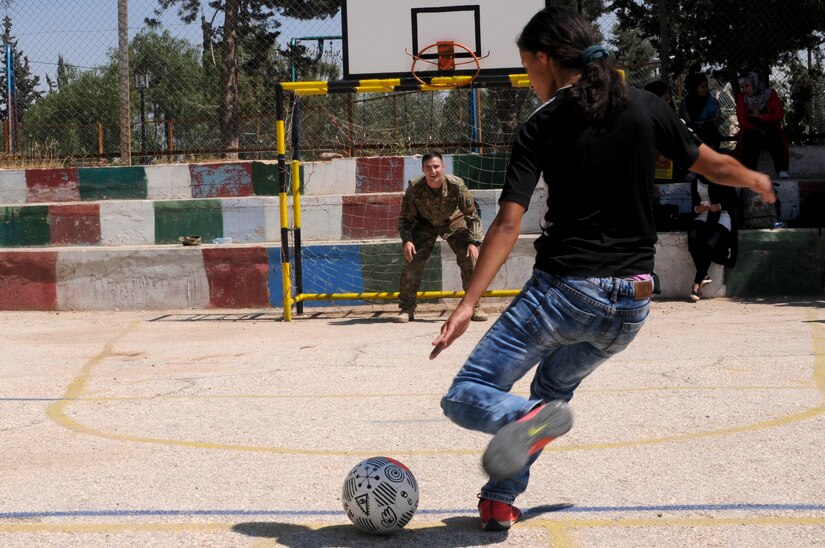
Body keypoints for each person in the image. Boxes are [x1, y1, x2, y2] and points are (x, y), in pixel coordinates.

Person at [429, 6, 775, 532]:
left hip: (566, 293)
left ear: (545, 59)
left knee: (465, 394)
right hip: (632, 306)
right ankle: (501, 498)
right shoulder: (645, 107)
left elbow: (505, 224)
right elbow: (711, 163)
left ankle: (524, 421)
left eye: (528, 68)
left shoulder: (542, 125)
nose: (528, 81)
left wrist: (468, 302)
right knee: (550, 396)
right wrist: (754, 179)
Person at [395, 152, 487, 323]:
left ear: (443, 167)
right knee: (412, 262)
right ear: (423, 169)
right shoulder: (415, 189)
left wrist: (474, 242)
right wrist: (407, 240)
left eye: (436, 166)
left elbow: (472, 215)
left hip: (453, 222)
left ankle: (474, 306)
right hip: (424, 225)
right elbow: (405, 219)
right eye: (428, 167)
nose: (433, 171)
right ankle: (406, 309)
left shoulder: (456, 185)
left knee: (470, 259)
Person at [688, 178, 738, 301]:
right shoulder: (695, 182)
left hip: (722, 215)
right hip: (704, 215)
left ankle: (696, 285)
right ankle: (703, 275)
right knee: (693, 237)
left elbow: (734, 201)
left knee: (710, 243)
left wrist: (719, 206)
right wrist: (698, 209)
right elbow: (694, 205)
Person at [735, 71, 790, 179]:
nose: (744, 89)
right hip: (752, 129)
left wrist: (761, 117)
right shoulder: (743, 97)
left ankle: (781, 170)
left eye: (747, 86)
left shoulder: (770, 94)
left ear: (756, 83)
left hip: (769, 128)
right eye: (742, 87)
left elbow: (779, 115)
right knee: (751, 138)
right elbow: (742, 121)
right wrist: (757, 129)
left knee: (774, 135)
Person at [679, 71, 723, 151]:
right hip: (693, 135)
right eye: (702, 87)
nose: (706, 89)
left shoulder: (712, 102)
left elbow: (717, 120)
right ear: (694, 88)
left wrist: (704, 124)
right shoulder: (686, 103)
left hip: (710, 134)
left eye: (706, 86)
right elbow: (686, 122)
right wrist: (699, 125)